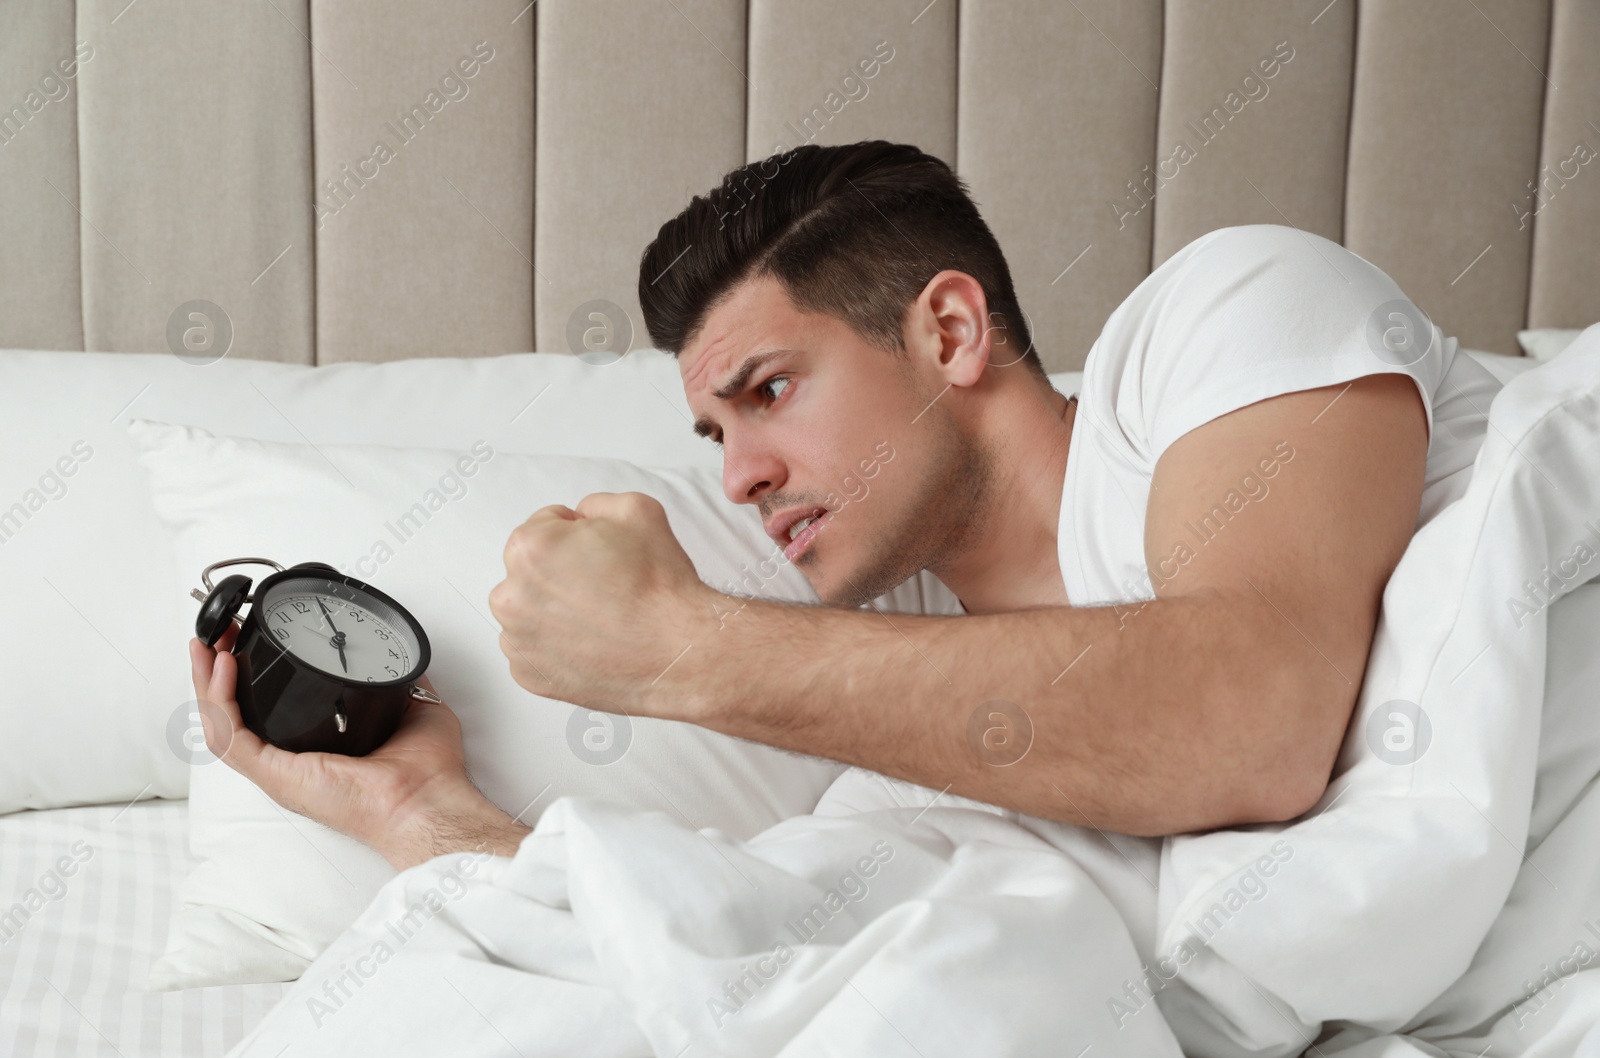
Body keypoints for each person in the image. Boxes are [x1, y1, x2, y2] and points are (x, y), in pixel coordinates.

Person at [190, 140, 1488, 871]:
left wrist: (678, 650)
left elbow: (1258, 721)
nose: (737, 472)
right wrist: (421, 812)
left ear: (950, 330)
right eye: (713, 433)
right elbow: (721, 986)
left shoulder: (1227, 315)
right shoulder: (918, 742)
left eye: (768, 391)